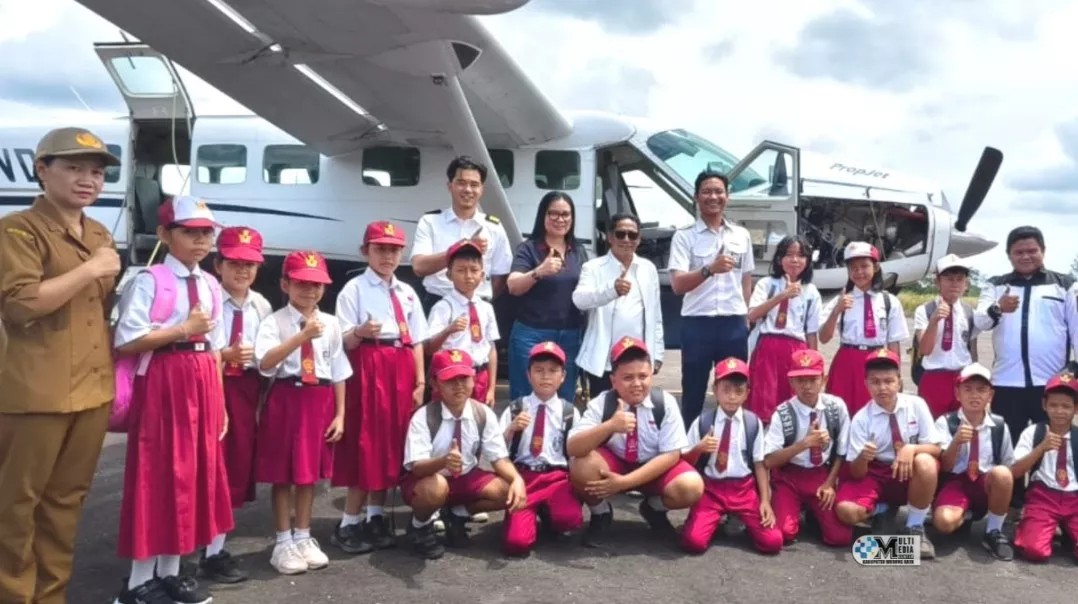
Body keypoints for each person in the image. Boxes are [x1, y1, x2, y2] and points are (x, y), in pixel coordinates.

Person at [0, 127, 122, 604]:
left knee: (67, 504)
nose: (87, 179)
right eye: (73, 168)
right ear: (42, 170)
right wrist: (89, 269)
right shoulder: (18, 230)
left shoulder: (98, 232)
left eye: (95, 172)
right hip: (36, 395)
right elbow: (21, 304)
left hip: (91, 390)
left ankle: (51, 595)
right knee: (15, 506)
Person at [111, 195, 232, 604]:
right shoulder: (149, 281)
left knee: (195, 475)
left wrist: (221, 404)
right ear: (165, 234)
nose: (200, 242)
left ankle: (172, 571)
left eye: (206, 234)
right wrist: (183, 328)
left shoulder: (212, 284)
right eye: (189, 232)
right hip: (163, 379)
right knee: (157, 475)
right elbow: (127, 340)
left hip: (201, 382)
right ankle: (138, 580)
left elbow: (214, 349)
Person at [332, 221, 427, 554]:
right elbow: (342, 342)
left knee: (391, 443)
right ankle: (349, 522)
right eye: (380, 249)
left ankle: (375, 515)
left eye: (393, 249)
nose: (387, 256)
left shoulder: (408, 292)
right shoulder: (354, 290)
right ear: (365, 251)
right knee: (366, 444)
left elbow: (416, 340)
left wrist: (420, 381)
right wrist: (359, 332)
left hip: (400, 368)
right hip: (370, 366)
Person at [254, 250, 349, 575]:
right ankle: (282, 540)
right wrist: (301, 336)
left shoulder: (332, 323)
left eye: (316, 285)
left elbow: (338, 369)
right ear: (285, 284)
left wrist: (340, 413)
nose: (309, 292)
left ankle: (303, 535)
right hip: (286, 397)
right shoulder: (275, 321)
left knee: (308, 473)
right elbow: (265, 363)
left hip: (318, 399)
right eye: (301, 284)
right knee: (283, 474)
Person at [567, 337, 703, 547]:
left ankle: (654, 508)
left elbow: (671, 455)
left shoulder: (664, 403)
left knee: (691, 486)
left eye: (643, 376)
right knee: (581, 465)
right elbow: (573, 447)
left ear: (652, 376)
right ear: (613, 381)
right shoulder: (602, 402)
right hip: (615, 465)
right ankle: (600, 512)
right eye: (628, 377)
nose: (637, 384)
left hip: (653, 468)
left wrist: (625, 483)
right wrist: (610, 426)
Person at [975, 226, 1076, 508]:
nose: (1026, 256)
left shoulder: (1065, 284)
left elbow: (1077, 329)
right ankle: (1012, 502)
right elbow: (980, 321)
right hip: (1007, 382)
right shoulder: (996, 284)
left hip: (1052, 382)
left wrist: (1074, 370)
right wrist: (997, 308)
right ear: (1009, 255)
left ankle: (1045, 499)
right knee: (1010, 442)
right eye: (1019, 252)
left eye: (1032, 250)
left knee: (1050, 441)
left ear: (1043, 251)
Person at [400, 349, 528, 559]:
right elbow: (416, 467)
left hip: (465, 478)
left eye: (464, 378)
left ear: (474, 379)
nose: (458, 385)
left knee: (508, 491)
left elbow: (498, 458)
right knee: (436, 487)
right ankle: (419, 526)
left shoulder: (482, 413)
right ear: (434, 384)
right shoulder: (424, 416)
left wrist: (517, 479)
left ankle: (457, 515)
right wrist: (444, 461)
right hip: (429, 480)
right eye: (450, 380)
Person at [202, 226, 272, 583]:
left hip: (245, 388)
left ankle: (215, 548)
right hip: (208, 386)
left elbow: (269, 354)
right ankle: (181, 545)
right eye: (234, 262)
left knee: (234, 466)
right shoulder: (207, 298)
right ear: (218, 264)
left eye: (250, 264)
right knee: (204, 466)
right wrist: (224, 354)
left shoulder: (261, 305)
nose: (242, 271)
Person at [833, 349, 942, 560]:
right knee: (845, 511)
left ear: (899, 382)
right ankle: (881, 510)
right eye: (875, 382)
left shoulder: (917, 405)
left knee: (926, 462)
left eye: (888, 381)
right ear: (866, 385)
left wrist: (913, 448)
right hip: (877, 473)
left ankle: (915, 526)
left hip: (908, 472)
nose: (882, 387)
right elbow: (856, 473)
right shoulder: (862, 418)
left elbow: (936, 448)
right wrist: (863, 456)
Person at [668, 171, 755, 426]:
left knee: (734, 389)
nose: (713, 197)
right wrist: (709, 269)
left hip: (733, 323)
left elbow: (746, 278)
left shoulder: (741, 235)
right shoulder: (684, 236)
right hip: (698, 323)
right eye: (706, 191)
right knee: (694, 392)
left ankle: (733, 446)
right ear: (696, 197)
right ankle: (690, 452)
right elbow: (677, 284)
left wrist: (746, 316)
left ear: (727, 197)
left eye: (719, 191)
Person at [680, 358, 783, 555]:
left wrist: (765, 500)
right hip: (711, 488)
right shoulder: (703, 422)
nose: (732, 397)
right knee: (693, 542)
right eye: (726, 390)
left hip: (743, 489)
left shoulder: (753, 423)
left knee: (773, 542)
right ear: (715, 389)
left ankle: (739, 518)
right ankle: (708, 520)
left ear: (747, 394)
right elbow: (684, 462)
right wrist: (699, 449)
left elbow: (759, 463)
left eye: (738, 391)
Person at [499, 341, 584, 557]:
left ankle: (550, 513)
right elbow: (496, 451)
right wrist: (511, 429)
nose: (546, 377)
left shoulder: (570, 413)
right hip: (524, 477)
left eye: (553, 371)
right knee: (516, 544)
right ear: (528, 375)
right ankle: (527, 516)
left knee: (570, 520)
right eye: (539, 371)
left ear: (563, 376)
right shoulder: (516, 408)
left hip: (556, 477)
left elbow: (576, 452)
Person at [762, 349, 853, 547]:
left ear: (824, 379)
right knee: (784, 533)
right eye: (800, 380)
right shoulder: (783, 413)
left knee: (840, 537)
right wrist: (804, 444)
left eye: (813, 379)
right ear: (791, 383)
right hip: (789, 476)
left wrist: (830, 483)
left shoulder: (836, 407)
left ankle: (813, 513)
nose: (807, 386)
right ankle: (796, 507)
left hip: (820, 475)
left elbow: (841, 452)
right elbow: (769, 460)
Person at [505, 192, 586, 401]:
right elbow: (513, 286)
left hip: (569, 336)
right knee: (525, 398)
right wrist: (539, 271)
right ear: (543, 216)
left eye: (566, 214)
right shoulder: (528, 249)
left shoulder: (578, 251)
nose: (560, 219)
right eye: (554, 214)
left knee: (564, 399)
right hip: (531, 334)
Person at [572, 213, 663, 397]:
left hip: (637, 360)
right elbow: (579, 300)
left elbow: (656, 316)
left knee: (634, 418)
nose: (627, 239)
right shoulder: (593, 267)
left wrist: (658, 353)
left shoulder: (648, 269)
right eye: (621, 234)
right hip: (604, 361)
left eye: (633, 235)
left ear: (639, 239)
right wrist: (611, 290)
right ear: (610, 237)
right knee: (605, 417)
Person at [931, 363, 1015, 561]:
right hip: (956, 482)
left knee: (1002, 474)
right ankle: (965, 515)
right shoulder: (946, 422)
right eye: (967, 389)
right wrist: (956, 442)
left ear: (990, 395)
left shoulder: (999, 425)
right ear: (957, 394)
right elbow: (944, 467)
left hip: (984, 483)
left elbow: (1008, 466)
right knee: (943, 524)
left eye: (981, 390)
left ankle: (993, 530)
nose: (974, 395)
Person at [819, 241, 907, 416]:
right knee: (842, 411)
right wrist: (837, 311)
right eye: (853, 268)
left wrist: (896, 373)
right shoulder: (842, 300)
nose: (859, 272)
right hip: (847, 360)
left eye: (864, 266)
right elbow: (824, 337)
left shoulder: (889, 302)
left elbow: (893, 342)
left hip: (878, 361)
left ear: (875, 267)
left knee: (876, 410)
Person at [410, 156, 512, 304]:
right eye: (461, 183)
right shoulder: (430, 221)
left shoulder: (494, 227)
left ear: (481, 189)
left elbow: (501, 275)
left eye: (474, 184)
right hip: (438, 301)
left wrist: (478, 300)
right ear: (450, 186)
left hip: (478, 304)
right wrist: (463, 247)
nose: (468, 190)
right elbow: (419, 267)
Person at [746, 235, 821, 422]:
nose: (795, 260)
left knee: (793, 399)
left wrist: (814, 364)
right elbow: (752, 315)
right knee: (765, 399)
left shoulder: (811, 292)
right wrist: (782, 296)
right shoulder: (767, 284)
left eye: (801, 256)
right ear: (780, 259)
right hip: (769, 347)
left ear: (808, 261)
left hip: (797, 350)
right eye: (789, 255)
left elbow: (811, 332)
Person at [1010, 371, 1078, 562]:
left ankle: (1068, 533)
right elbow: (1015, 471)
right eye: (1054, 405)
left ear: (1075, 408)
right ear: (1044, 406)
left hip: (1074, 498)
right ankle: (915, 527)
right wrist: (1041, 448)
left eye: (1066, 406)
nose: (1059, 411)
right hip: (1043, 496)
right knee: (1035, 551)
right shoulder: (1035, 432)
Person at [426, 240, 500, 405]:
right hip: (452, 379)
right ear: (449, 274)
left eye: (474, 270)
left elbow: (491, 349)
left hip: (480, 376)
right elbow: (429, 348)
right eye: (460, 270)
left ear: (482, 276)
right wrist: (448, 331)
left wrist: (491, 389)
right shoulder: (443, 308)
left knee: (478, 424)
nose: (468, 276)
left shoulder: (486, 308)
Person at [913, 254, 979, 418]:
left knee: (963, 426)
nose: (954, 284)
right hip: (934, 378)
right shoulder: (925, 310)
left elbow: (972, 349)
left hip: (962, 376)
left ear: (966, 283)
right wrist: (934, 321)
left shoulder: (970, 312)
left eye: (959, 279)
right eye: (949, 279)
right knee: (932, 428)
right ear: (938, 282)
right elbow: (925, 350)